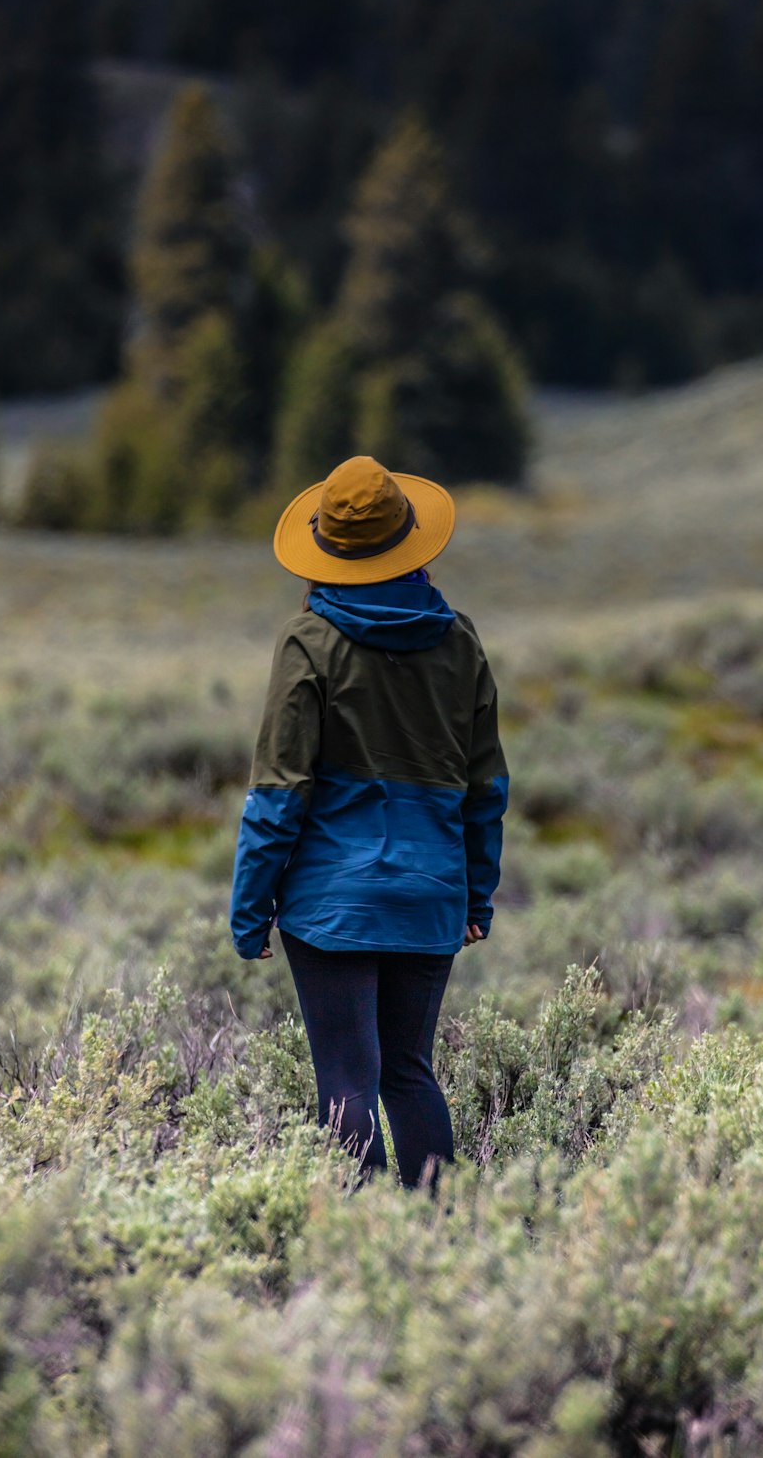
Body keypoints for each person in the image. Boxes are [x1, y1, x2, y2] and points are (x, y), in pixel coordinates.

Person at [229, 454, 508, 1190]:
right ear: (410, 539)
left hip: (331, 904)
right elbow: (486, 789)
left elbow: (279, 794)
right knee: (410, 1075)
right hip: (430, 894)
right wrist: (475, 897)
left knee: (347, 1083)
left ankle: (361, 1249)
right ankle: (441, 1240)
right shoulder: (459, 640)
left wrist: (250, 909)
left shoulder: (309, 643)